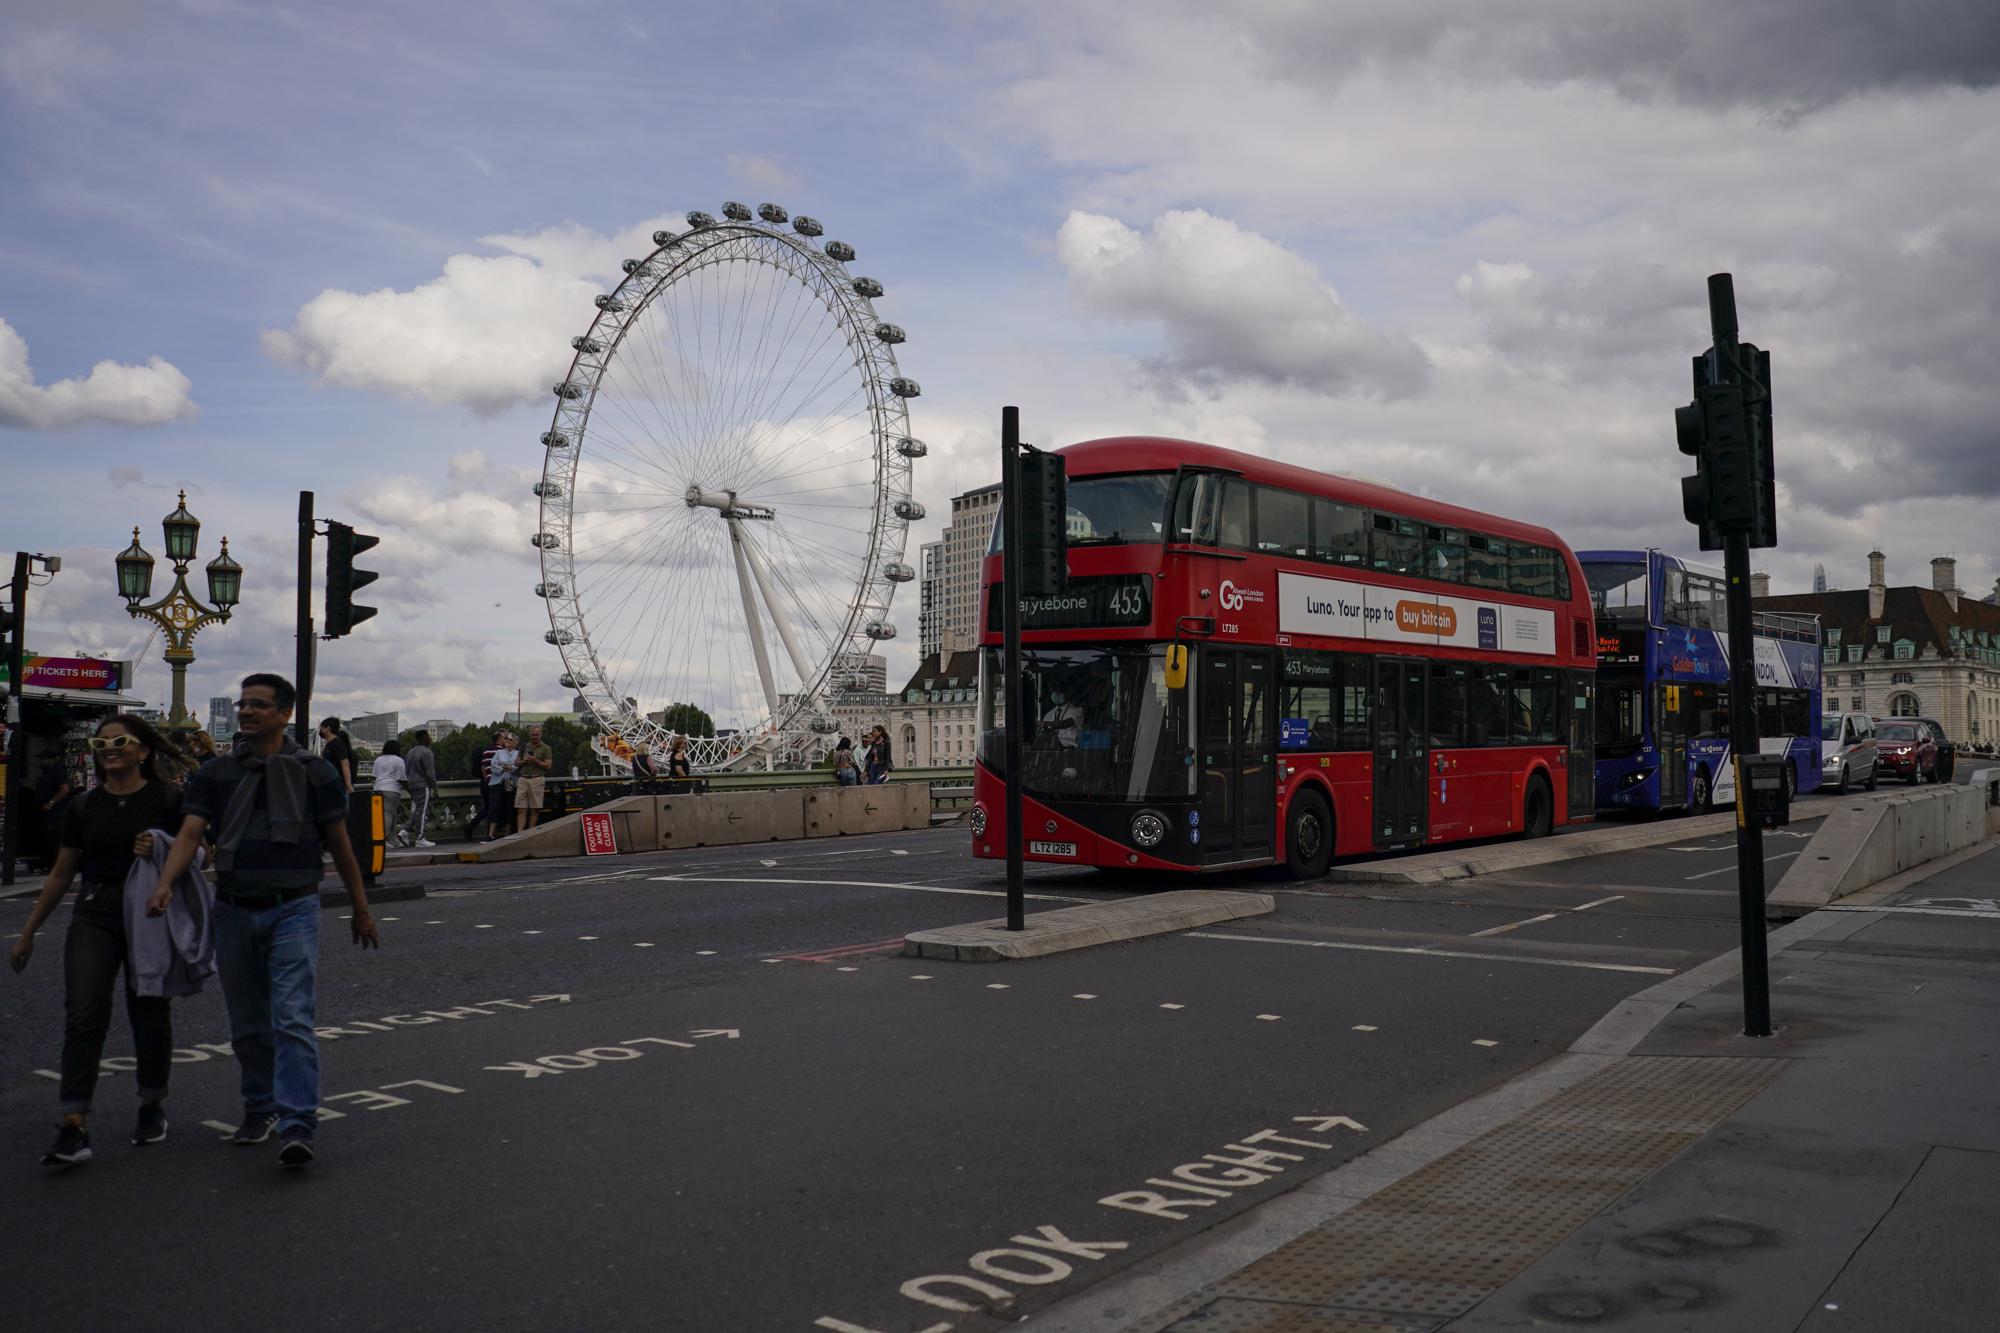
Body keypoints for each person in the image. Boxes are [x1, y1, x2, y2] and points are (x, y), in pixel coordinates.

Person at [156, 672, 378, 1168]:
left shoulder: (314, 772)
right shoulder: (215, 773)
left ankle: (298, 1123)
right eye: (243, 704)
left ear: (284, 714)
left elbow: (341, 845)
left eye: (258, 704)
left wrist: (360, 908)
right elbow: (191, 832)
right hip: (233, 908)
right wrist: (166, 881)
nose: (247, 711)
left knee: (293, 1017)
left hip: (294, 907)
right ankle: (260, 1107)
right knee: (248, 1025)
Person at [10, 714, 191, 1167]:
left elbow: (197, 851)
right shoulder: (83, 806)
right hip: (94, 911)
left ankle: (151, 1104)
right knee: (84, 1013)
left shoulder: (169, 799)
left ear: (143, 750)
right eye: (102, 741)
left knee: (148, 1009)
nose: (109, 748)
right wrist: (29, 931)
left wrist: (162, 851)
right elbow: (61, 872)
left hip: (148, 914)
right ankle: (74, 1122)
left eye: (120, 740)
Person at [515, 724, 553, 833]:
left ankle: (529, 833)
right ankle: (520, 833)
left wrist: (535, 760)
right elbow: (516, 762)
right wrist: (524, 761)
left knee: (534, 808)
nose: (534, 737)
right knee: (521, 808)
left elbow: (548, 766)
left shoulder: (546, 748)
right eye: (532, 735)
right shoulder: (523, 747)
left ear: (541, 734)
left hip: (537, 779)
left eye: (536, 735)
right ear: (529, 734)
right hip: (523, 779)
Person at [404, 729, 438, 847]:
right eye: (429, 736)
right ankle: (420, 838)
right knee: (422, 811)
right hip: (422, 785)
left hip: (411, 784)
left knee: (417, 810)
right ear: (425, 738)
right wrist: (434, 787)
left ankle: (405, 830)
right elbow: (430, 773)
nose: (430, 738)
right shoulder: (427, 752)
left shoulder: (410, 752)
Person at [484, 730, 519, 842]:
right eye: (506, 739)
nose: (507, 741)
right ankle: (491, 834)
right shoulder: (499, 753)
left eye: (510, 739)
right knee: (495, 807)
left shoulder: (517, 754)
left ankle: (507, 833)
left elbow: (517, 766)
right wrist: (505, 768)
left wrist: (510, 768)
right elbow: (493, 766)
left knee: (509, 808)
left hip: (510, 783)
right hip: (498, 782)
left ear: (515, 743)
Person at [372, 738, 407, 847]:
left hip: (378, 789)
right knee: (388, 814)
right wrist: (410, 790)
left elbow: (374, 776)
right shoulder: (399, 760)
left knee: (388, 815)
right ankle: (383, 840)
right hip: (392, 790)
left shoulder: (378, 760)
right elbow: (401, 778)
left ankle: (393, 839)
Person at [318, 718, 354, 793]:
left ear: (328, 728)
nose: (320, 729)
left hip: (336, 784)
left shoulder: (337, 744)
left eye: (321, 727)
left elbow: (345, 764)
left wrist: (348, 785)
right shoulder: (329, 744)